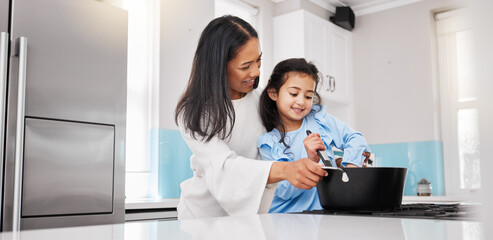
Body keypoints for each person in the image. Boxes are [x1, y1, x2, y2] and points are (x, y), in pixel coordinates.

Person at [174, 16, 327, 219]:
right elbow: (224, 169)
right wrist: (285, 169)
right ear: (219, 66)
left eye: (258, 60)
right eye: (245, 66)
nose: (256, 72)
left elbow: (289, 139)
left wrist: (314, 159)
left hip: (254, 215)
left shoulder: (263, 100)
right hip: (203, 218)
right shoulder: (194, 112)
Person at [257, 58, 371, 213]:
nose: (301, 102)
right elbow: (283, 191)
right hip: (286, 221)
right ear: (273, 93)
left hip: (323, 216)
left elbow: (355, 138)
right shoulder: (269, 142)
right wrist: (310, 160)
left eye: (308, 96)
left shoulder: (319, 119)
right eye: (294, 93)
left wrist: (350, 168)